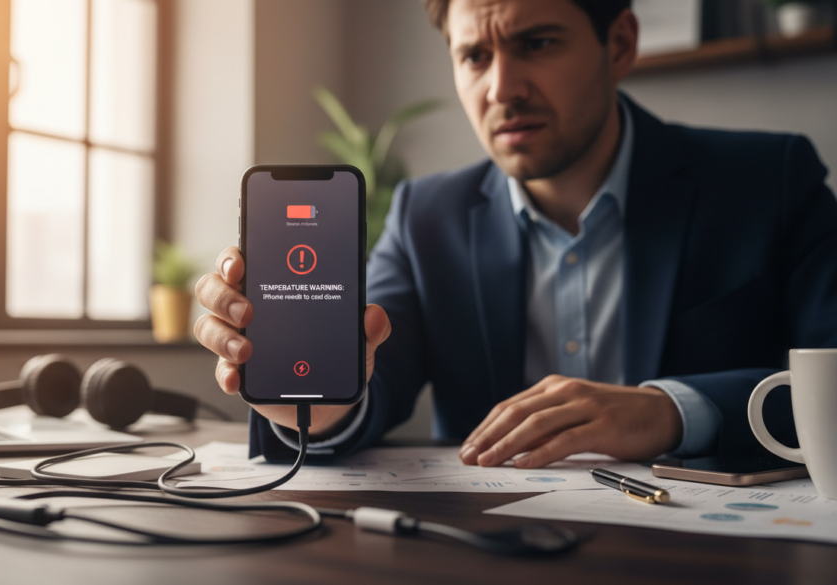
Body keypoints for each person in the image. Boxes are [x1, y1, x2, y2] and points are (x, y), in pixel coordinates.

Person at [193, 0, 837, 467]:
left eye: (537, 43)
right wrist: (315, 407)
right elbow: (372, 375)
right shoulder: (425, 216)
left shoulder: (771, 181)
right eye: (475, 56)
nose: (502, 88)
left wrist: (671, 410)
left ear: (619, 44)